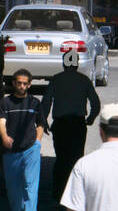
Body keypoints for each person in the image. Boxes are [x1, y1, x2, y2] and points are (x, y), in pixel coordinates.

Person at [40, 49, 101, 201]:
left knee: (61, 159)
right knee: (76, 159)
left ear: (63, 63)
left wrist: (44, 121)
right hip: (77, 125)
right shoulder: (84, 80)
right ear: (77, 64)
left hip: (60, 125)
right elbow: (95, 102)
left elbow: (46, 102)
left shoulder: (56, 79)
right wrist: (91, 118)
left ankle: (58, 195)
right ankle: (76, 194)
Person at [0, 69, 45, 211]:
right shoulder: (5, 103)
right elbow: (1, 122)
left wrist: (37, 142)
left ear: (29, 85)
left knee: (30, 185)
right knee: (13, 187)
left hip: (30, 149)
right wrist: (4, 136)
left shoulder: (35, 103)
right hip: (11, 151)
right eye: (19, 83)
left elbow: (40, 125)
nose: (21, 86)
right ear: (13, 83)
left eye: (25, 83)